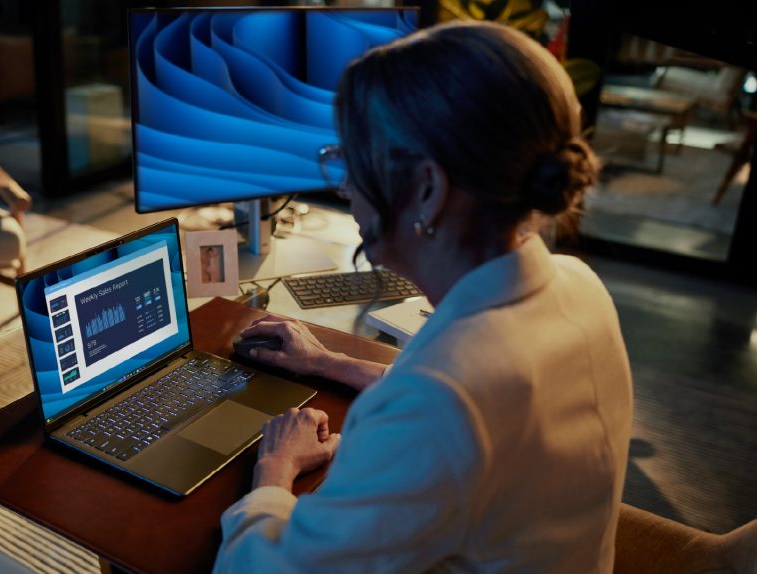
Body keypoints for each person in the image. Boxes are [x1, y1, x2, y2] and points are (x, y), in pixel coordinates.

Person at [213, 21, 632, 573]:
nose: (345, 188)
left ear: (429, 192)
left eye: (353, 161)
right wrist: (325, 361)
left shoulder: (443, 404)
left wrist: (274, 470)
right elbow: (475, 401)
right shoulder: (578, 284)